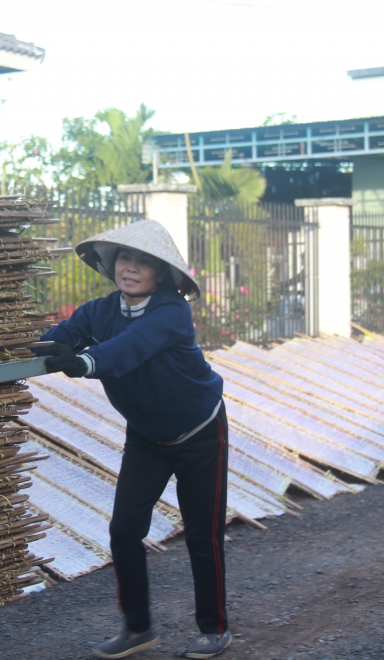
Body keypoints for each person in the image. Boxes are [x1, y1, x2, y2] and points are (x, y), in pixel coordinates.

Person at [37, 220, 232, 659]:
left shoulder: (171, 313)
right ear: (112, 263)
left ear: (161, 274)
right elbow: (58, 340)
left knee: (202, 534)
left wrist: (84, 362)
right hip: (146, 436)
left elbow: (129, 349)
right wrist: (26, 350)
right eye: (125, 257)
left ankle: (214, 627)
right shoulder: (99, 311)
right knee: (124, 530)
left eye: (144, 261)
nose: (131, 267)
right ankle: (138, 628)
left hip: (200, 431)